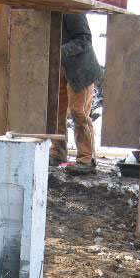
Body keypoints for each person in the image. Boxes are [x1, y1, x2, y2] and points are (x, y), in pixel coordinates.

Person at [50, 13, 103, 175]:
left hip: (81, 70)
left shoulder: (72, 11)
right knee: (56, 111)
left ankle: (87, 159)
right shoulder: (47, 10)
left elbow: (85, 39)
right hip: (61, 68)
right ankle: (58, 153)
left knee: (79, 112)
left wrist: (60, 50)